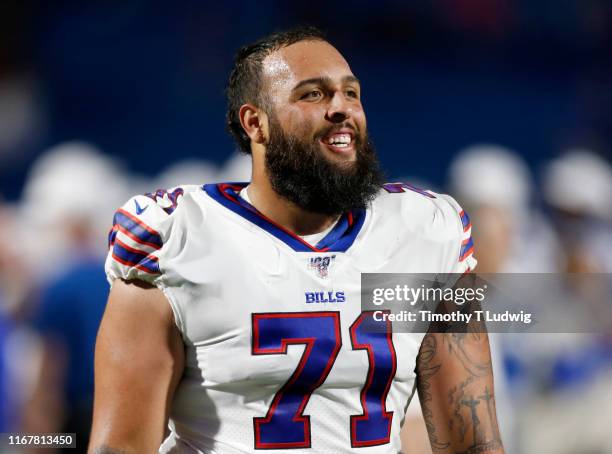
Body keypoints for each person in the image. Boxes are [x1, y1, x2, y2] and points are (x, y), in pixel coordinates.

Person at [89, 27, 504, 454]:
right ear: (255, 123)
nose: (342, 108)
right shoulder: (176, 238)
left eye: (351, 93)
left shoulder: (425, 231)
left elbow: (472, 443)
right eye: (313, 95)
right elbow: (121, 447)